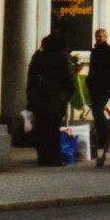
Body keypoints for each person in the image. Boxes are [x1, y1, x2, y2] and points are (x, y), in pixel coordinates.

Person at [26, 33, 77, 166]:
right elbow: (69, 78)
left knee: (42, 128)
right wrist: (67, 95)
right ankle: (53, 158)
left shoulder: (38, 56)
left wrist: (31, 96)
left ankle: (42, 157)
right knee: (54, 129)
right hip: (58, 97)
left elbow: (32, 77)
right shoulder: (64, 56)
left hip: (40, 96)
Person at [86, 28, 110, 151]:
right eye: (97, 36)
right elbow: (92, 69)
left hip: (106, 87)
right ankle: (103, 140)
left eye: (100, 36)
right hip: (95, 87)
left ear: (106, 37)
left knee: (97, 111)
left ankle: (107, 138)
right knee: (97, 112)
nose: (98, 38)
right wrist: (89, 82)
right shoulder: (94, 52)